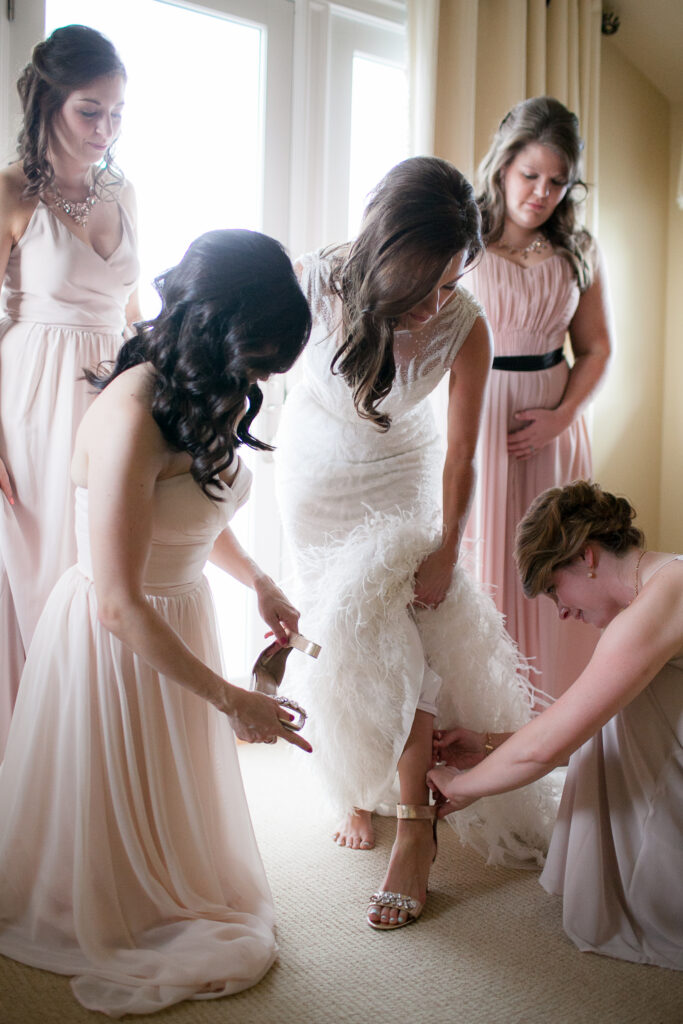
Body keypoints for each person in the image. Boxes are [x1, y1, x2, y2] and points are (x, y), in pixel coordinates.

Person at [0, 228, 314, 1014]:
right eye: (257, 356)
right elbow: (117, 601)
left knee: (174, 818)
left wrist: (260, 582)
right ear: (220, 328)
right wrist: (232, 699)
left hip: (178, 616)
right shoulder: (131, 413)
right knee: (111, 849)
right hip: (119, 636)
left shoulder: (214, 383)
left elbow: (194, 508)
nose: (257, 380)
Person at [275, 156, 556, 932]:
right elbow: (256, 363)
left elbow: (461, 456)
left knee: (412, 642)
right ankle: (355, 790)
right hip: (312, 487)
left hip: (400, 488)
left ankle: (414, 829)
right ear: (388, 250)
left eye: (451, 281)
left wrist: (446, 546)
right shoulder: (317, 282)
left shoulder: (465, 324)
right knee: (341, 642)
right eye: (427, 283)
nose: (439, 302)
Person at [430, 480, 683, 971]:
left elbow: (554, 745)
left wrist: (462, 787)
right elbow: (584, 725)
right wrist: (487, 746)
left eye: (553, 589)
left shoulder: (662, 597)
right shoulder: (656, 589)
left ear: (586, 557)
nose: (562, 611)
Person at [0, 24, 140, 753]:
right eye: (91, 110)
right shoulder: (10, 191)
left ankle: (92, 754)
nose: (105, 128)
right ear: (51, 102)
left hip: (112, 389)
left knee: (106, 566)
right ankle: (32, 756)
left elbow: (130, 306)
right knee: (42, 574)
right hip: (34, 400)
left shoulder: (123, 190)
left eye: (117, 112)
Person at [463, 96, 614, 699]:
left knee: (560, 565)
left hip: (551, 427)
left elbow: (597, 349)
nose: (542, 192)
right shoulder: (463, 235)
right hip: (475, 419)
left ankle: (553, 708)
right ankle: (482, 709)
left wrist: (562, 418)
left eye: (558, 182)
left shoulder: (578, 248)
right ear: (502, 166)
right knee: (481, 564)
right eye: (531, 175)